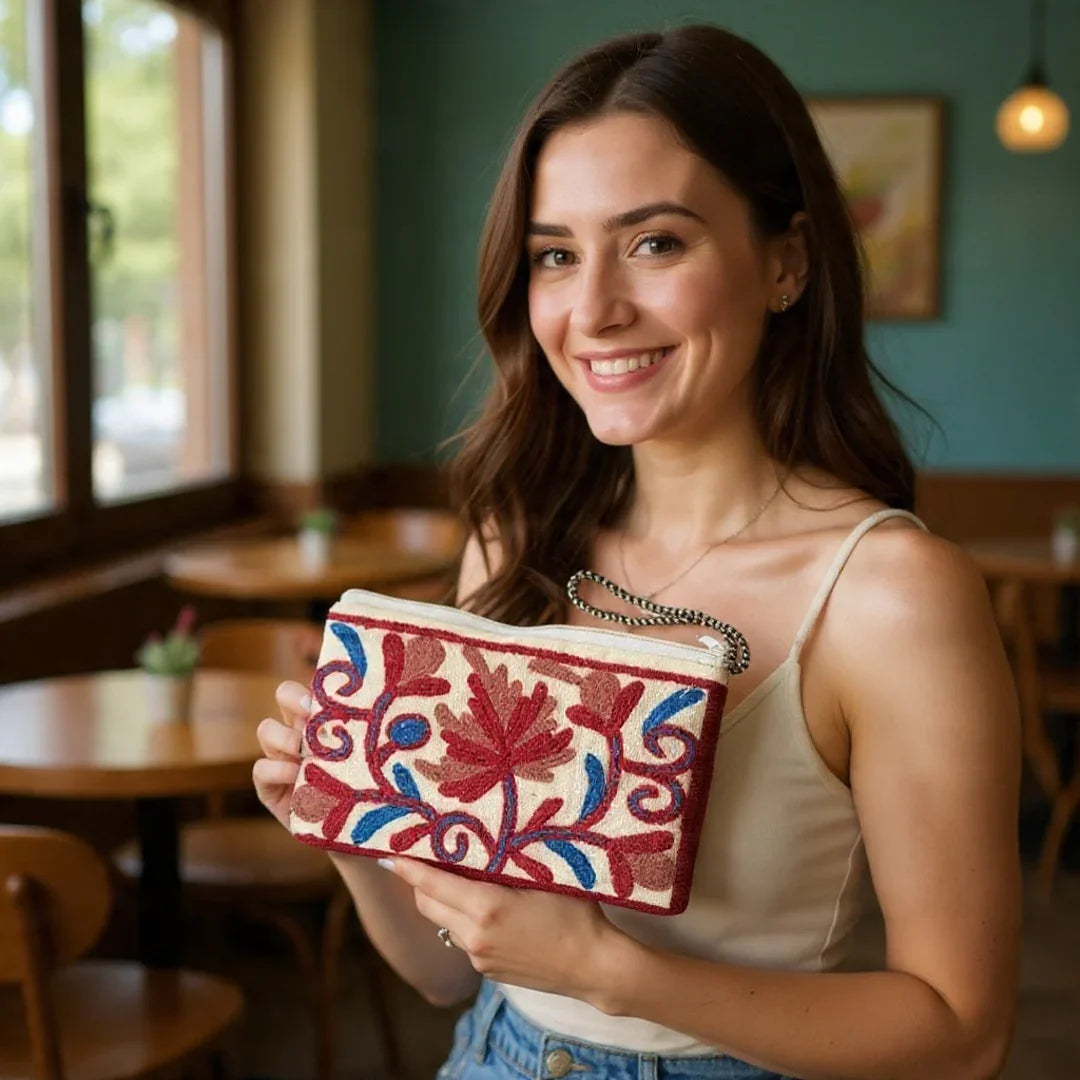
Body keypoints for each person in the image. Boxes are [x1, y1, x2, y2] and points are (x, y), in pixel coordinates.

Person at [254, 24, 1020, 1080]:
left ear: (787, 262)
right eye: (556, 255)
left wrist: (612, 972)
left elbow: (963, 1035)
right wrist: (349, 831)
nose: (596, 310)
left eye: (656, 242)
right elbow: (449, 978)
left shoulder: (889, 595)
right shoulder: (514, 542)